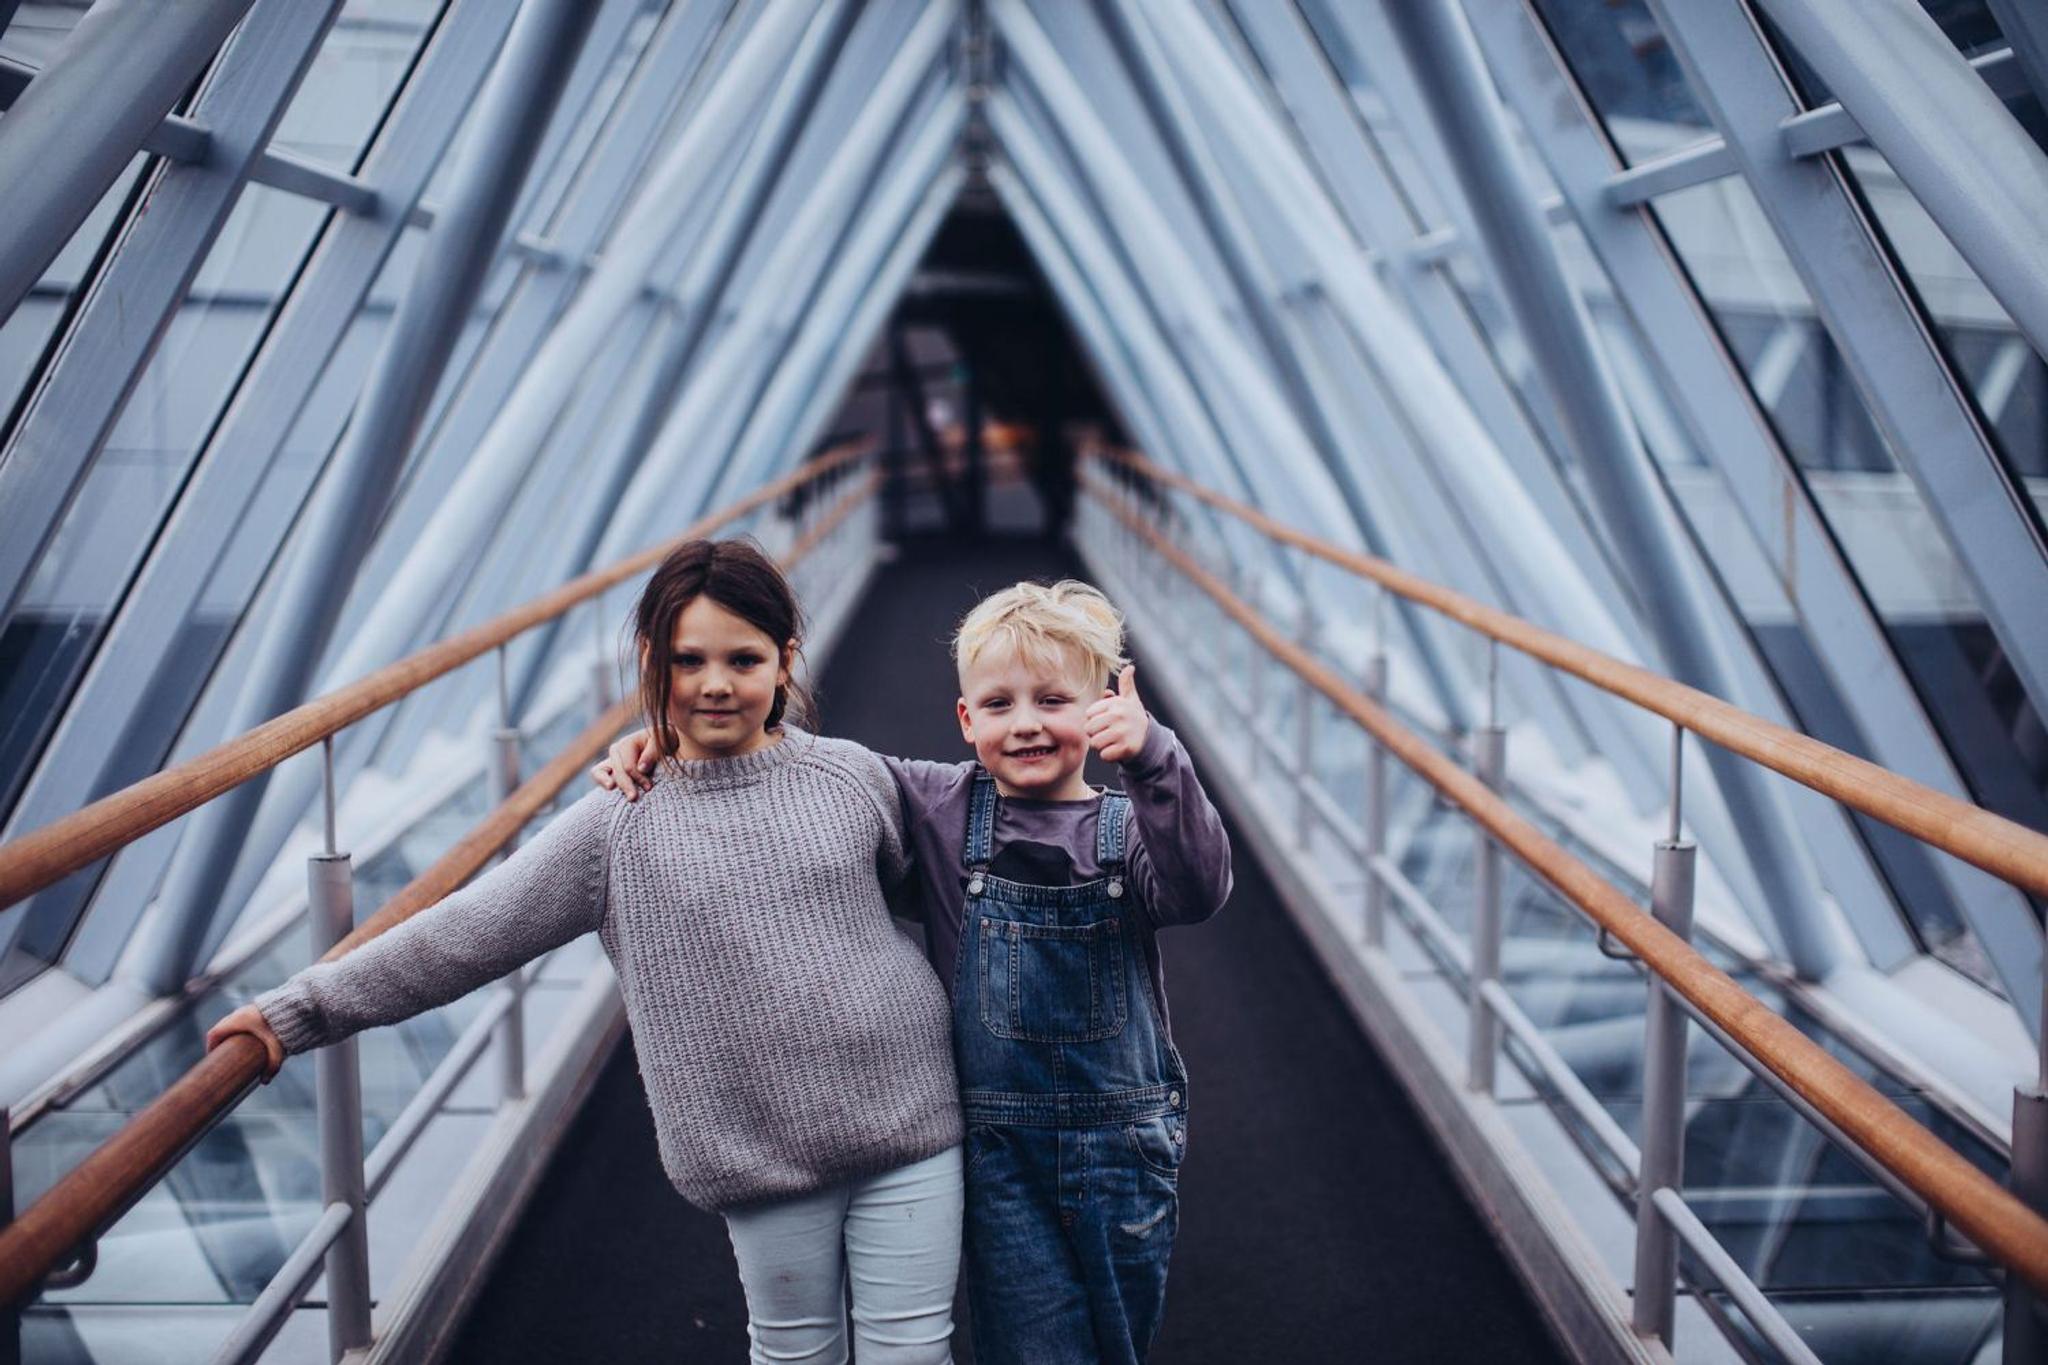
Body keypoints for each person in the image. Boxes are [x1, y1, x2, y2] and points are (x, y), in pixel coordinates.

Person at [209, 539, 965, 1365]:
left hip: (910, 1115)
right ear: (649, 660)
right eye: (688, 660)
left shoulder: (852, 777)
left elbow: (963, 868)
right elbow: (463, 934)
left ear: (785, 660)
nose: (715, 683)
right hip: (763, 1157)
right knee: (797, 1354)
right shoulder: (616, 826)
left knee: (912, 1353)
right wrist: (298, 1012)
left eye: (743, 659)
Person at [600, 578, 1232, 1364]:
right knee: (1032, 1346)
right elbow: (809, 770)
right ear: (966, 718)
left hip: (1122, 1149)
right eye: (998, 704)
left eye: (1053, 701)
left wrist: (1154, 757)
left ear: (1101, 706)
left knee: (1116, 1343)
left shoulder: (1129, 825)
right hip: (1000, 1154)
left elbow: (1198, 887)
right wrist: (677, 740)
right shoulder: (941, 804)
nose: (1026, 723)